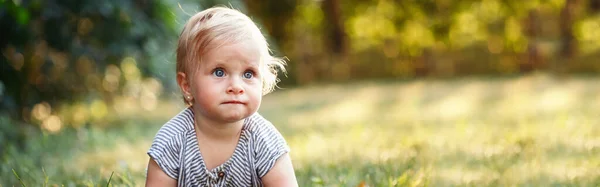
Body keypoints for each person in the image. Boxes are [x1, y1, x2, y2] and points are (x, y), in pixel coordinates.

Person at [145, 6, 298, 187]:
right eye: (219, 72)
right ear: (187, 86)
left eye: (248, 74)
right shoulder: (172, 141)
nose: (236, 86)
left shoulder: (264, 140)